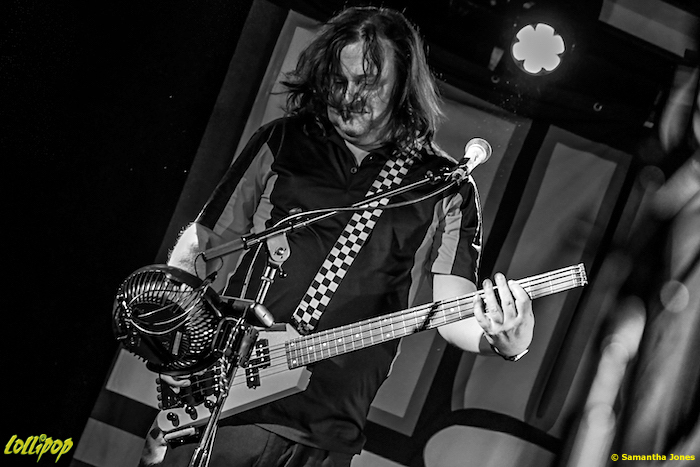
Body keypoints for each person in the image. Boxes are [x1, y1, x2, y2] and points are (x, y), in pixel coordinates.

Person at [140, 6, 534, 467]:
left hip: (327, 431)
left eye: (368, 82)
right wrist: (178, 344)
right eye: (337, 80)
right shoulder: (283, 139)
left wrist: (507, 341)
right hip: (225, 406)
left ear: (402, 85)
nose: (348, 97)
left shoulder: (443, 184)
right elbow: (206, 244)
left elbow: (452, 313)